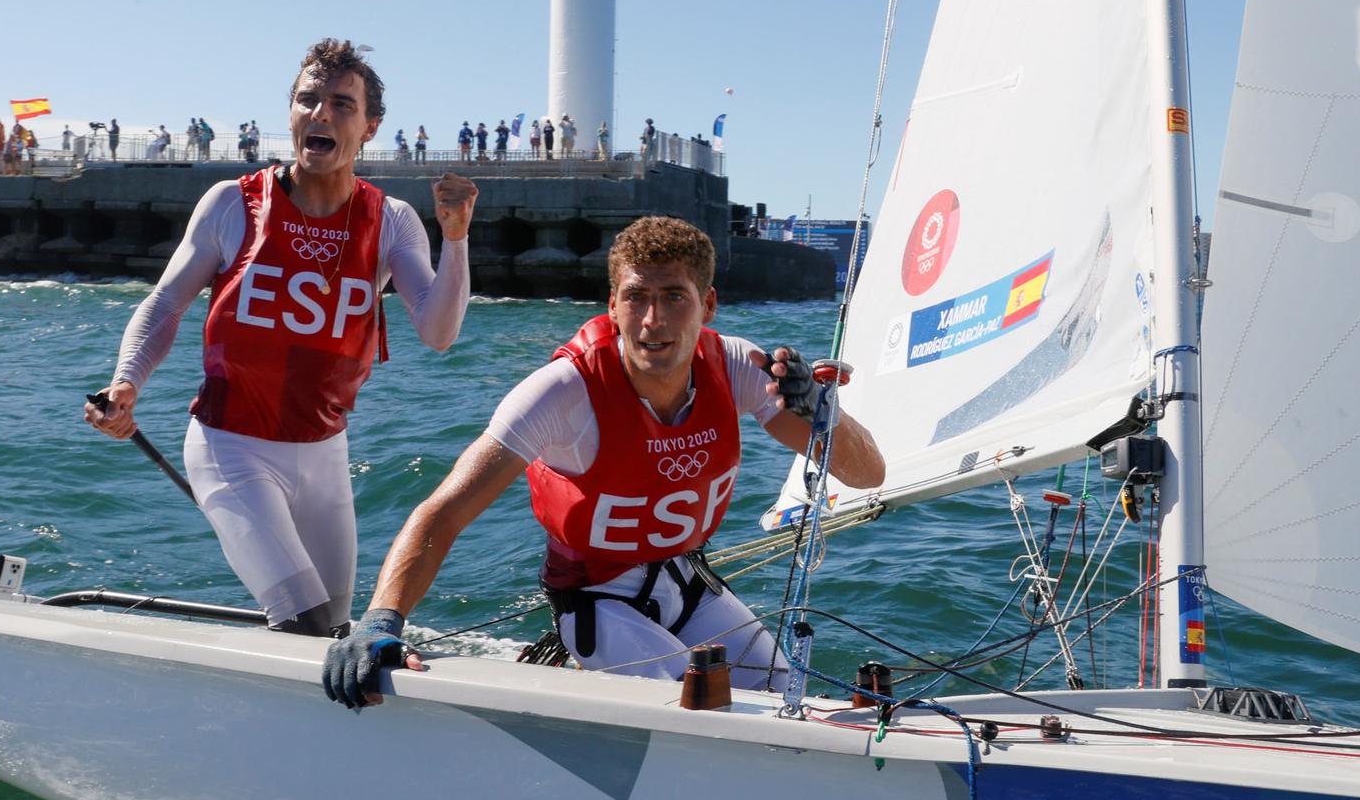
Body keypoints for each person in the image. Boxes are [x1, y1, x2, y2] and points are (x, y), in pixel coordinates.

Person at [323, 216, 885, 708]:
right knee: (692, 707)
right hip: (598, 604)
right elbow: (444, 511)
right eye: (636, 297)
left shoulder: (737, 366)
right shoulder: (562, 393)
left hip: (687, 581)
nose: (652, 320)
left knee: (781, 696)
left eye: (674, 297)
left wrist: (823, 411)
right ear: (612, 304)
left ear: (707, 304)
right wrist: (381, 620)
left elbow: (867, 474)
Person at [85, 38, 479, 636]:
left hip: (324, 453)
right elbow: (166, 303)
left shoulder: (392, 219)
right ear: (290, 113)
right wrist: (126, 382)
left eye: (342, 105)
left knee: (337, 632)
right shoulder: (233, 205)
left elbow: (438, 332)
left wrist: (455, 238)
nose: (321, 113)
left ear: (370, 127)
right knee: (304, 623)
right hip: (231, 447)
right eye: (307, 100)